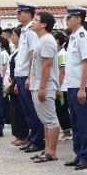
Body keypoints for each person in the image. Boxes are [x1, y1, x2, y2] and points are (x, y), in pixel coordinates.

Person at [62, 5, 87, 170]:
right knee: (75, 123)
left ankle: (86, 157)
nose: (66, 20)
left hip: (81, 87)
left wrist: (82, 88)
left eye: (69, 17)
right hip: (72, 86)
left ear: (79, 18)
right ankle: (79, 154)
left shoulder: (83, 37)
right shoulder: (74, 37)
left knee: (84, 123)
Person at [13, 2, 46, 155]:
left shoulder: (32, 30)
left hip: (27, 74)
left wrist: (30, 76)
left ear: (29, 13)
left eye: (20, 12)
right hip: (20, 74)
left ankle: (38, 141)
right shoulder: (25, 30)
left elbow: (33, 54)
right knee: (27, 111)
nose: (17, 14)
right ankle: (33, 139)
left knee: (33, 111)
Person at [29, 12, 61, 162]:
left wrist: (42, 87)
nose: (33, 22)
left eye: (36, 20)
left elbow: (47, 65)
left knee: (51, 120)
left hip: (45, 85)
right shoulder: (41, 39)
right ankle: (47, 149)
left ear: (44, 25)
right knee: (46, 121)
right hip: (38, 84)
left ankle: (52, 152)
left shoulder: (47, 40)